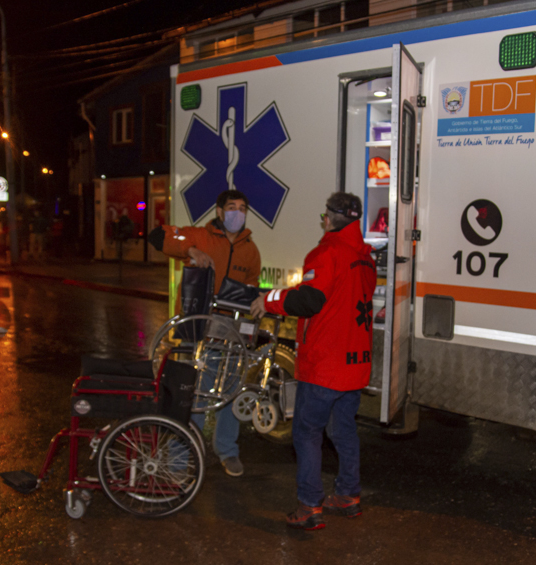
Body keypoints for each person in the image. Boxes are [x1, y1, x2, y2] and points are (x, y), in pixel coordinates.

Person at [250, 192, 376, 530]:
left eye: (325, 215)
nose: (323, 220)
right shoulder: (366, 259)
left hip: (325, 365)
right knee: (344, 432)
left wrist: (269, 299)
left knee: (306, 432)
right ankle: (348, 495)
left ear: (330, 218)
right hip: (354, 364)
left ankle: (309, 506)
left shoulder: (326, 253)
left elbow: (309, 300)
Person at [148, 189, 261, 477]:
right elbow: (158, 236)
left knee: (230, 392)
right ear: (220, 211)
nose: (238, 213)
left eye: (243, 208)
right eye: (232, 207)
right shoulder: (199, 236)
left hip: (230, 332)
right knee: (192, 395)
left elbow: (252, 288)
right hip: (197, 330)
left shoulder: (250, 250)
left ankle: (227, 451)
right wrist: (190, 250)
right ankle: (178, 458)